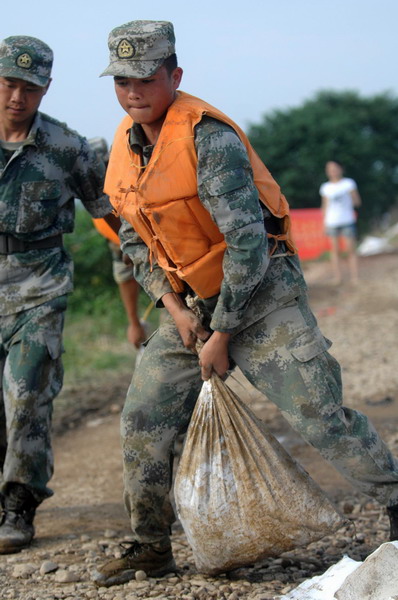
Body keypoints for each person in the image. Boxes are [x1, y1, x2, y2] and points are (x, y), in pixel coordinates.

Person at [94, 20, 398, 586]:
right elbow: (133, 236)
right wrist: (176, 310)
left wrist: (222, 335)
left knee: (321, 416)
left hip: (259, 297)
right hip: (188, 306)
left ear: (174, 75)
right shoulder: (124, 143)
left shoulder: (209, 138)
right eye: (121, 81)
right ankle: (151, 546)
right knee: (143, 416)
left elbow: (249, 246)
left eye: (145, 78)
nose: (132, 91)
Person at [0, 35, 119, 553]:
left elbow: (113, 213)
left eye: (29, 87)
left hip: (39, 287)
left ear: (46, 88)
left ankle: (18, 505)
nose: (16, 98)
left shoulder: (67, 148)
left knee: (28, 396)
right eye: (8, 83)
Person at [89, 137, 147, 348]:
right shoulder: (98, 207)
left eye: (104, 166)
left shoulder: (135, 181)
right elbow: (124, 274)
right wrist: (134, 323)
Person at [320, 160, 361, 284]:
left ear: (340, 169)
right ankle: (338, 277)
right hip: (331, 222)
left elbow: (357, 202)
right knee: (334, 250)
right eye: (329, 169)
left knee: (350, 249)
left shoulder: (349, 183)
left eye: (334, 168)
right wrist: (324, 222)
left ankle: (355, 277)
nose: (332, 171)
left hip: (347, 220)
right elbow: (324, 206)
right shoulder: (325, 187)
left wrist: (351, 196)